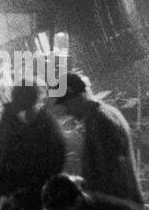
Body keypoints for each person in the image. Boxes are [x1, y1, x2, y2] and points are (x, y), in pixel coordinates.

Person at [54, 71, 142, 202]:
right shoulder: (108, 112)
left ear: (80, 97)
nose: (66, 111)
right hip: (122, 201)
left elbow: (108, 171)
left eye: (67, 104)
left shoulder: (98, 120)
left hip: (114, 204)